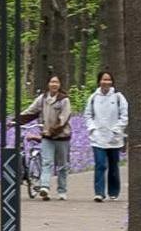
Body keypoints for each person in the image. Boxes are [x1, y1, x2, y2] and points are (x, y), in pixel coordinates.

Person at [16, 75, 72, 201]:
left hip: (62, 137)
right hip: (47, 137)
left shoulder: (64, 100)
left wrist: (53, 130)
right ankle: (44, 187)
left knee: (62, 165)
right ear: (48, 84)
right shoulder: (42, 99)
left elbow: (64, 118)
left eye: (56, 82)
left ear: (60, 85)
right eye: (52, 82)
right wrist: (16, 120)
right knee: (47, 162)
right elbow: (31, 111)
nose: (54, 84)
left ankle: (62, 190)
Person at [83, 71, 128, 202]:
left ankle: (113, 192)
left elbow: (124, 116)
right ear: (99, 81)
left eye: (108, 80)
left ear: (112, 82)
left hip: (114, 138)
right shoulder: (93, 98)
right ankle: (99, 192)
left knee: (113, 165)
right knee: (100, 164)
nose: (106, 82)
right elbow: (88, 115)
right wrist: (92, 129)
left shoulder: (118, 97)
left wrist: (117, 129)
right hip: (98, 138)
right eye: (103, 79)